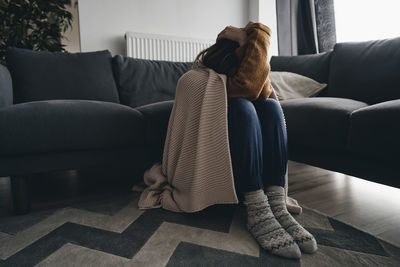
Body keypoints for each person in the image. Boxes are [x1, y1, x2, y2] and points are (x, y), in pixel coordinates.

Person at [193, 22, 317, 259]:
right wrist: (259, 35)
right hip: (223, 141)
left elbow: (263, 92)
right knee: (242, 106)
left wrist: (249, 43)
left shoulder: (251, 71)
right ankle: (258, 210)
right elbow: (245, 89)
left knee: (270, 106)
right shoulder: (205, 73)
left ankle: (277, 206)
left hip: (244, 139)